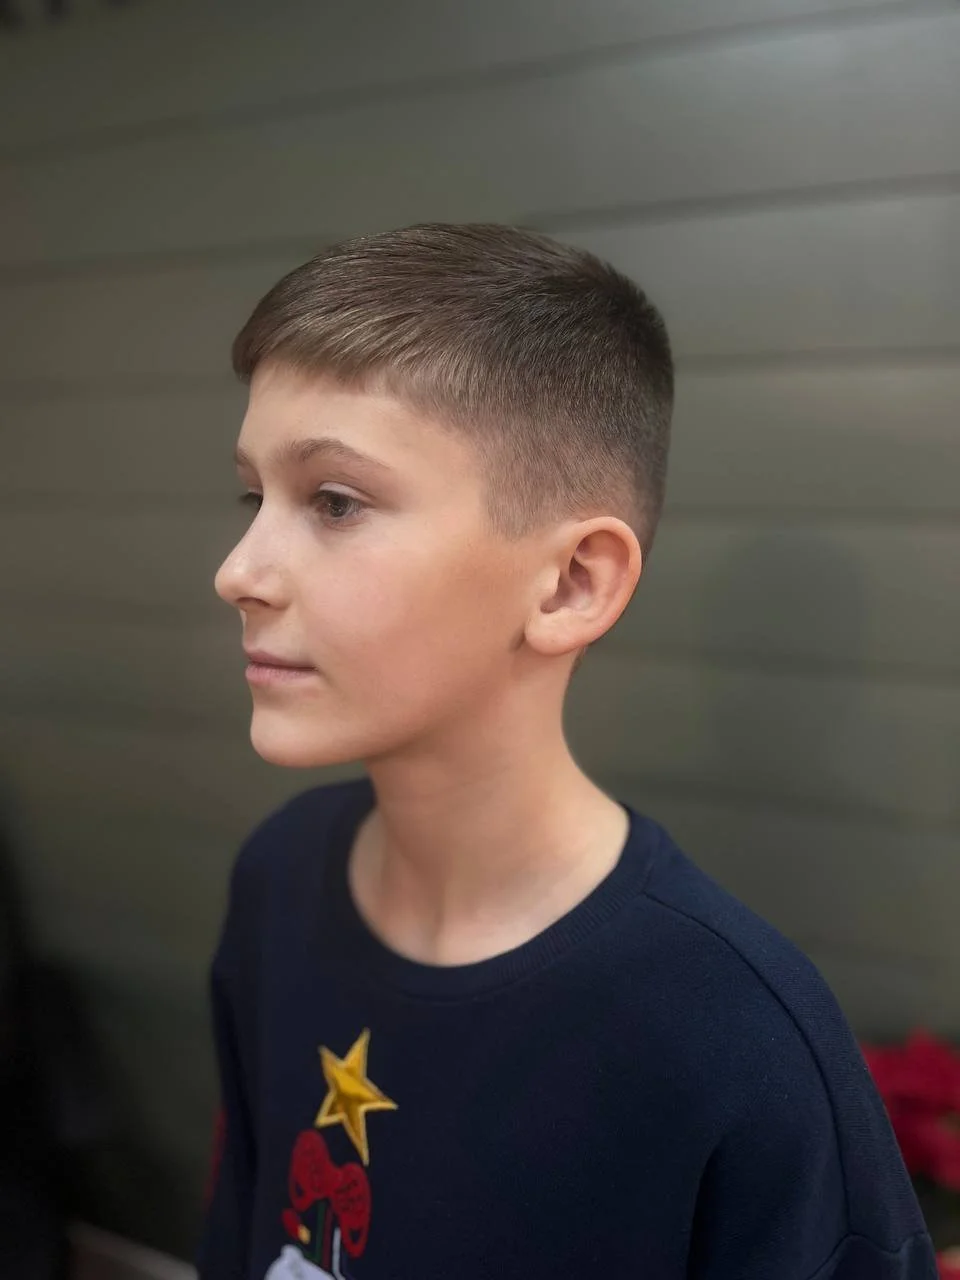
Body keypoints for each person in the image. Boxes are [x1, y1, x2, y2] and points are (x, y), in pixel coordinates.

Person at [197, 223, 937, 1279]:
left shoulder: (734, 1035)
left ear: (572, 583)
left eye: (335, 501)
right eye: (250, 495)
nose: (240, 568)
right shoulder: (278, 879)